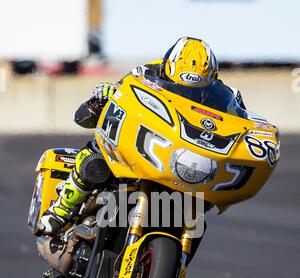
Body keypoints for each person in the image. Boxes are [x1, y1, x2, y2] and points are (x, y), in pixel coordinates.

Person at [35, 36, 246, 236]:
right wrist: (103, 99)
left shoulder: (225, 97)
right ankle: (61, 209)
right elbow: (87, 116)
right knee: (98, 154)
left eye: (195, 92)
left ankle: (175, 271)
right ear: (165, 71)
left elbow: (240, 125)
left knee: (200, 207)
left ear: (211, 79)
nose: (187, 96)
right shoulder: (143, 74)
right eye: (180, 89)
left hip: (184, 164)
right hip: (146, 147)